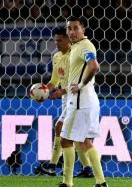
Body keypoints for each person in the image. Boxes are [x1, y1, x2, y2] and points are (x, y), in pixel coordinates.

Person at [37, 28, 94, 178]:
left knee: (60, 127)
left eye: (60, 40)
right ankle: (87, 168)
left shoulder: (74, 55)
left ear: (68, 40)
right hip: (65, 98)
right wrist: (42, 90)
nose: (57, 43)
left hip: (75, 96)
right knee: (72, 135)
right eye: (55, 40)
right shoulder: (56, 57)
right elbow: (54, 81)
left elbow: (75, 81)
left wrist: (61, 91)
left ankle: (52, 165)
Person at [58, 17, 108, 187]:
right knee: (85, 142)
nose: (71, 32)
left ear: (83, 30)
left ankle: (67, 182)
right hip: (88, 101)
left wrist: (80, 85)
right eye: (69, 28)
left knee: (65, 140)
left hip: (80, 103)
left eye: (75, 28)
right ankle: (101, 182)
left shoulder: (84, 45)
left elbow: (94, 66)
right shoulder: (77, 47)